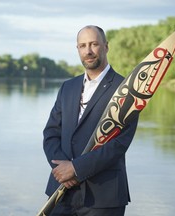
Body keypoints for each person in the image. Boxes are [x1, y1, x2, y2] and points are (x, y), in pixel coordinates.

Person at [42, 25, 139, 216]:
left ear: (106, 46)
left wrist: (76, 169)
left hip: (103, 197)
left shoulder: (126, 89)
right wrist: (62, 170)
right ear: (77, 49)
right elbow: (51, 133)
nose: (88, 51)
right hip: (61, 192)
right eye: (82, 45)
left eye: (94, 44)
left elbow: (118, 144)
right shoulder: (67, 87)